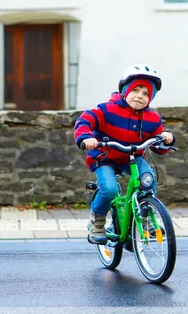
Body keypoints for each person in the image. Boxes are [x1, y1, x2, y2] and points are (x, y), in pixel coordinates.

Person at [74, 64, 176, 245]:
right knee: (110, 189)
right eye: (136, 90)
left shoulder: (152, 118)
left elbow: (157, 147)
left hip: (132, 157)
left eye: (146, 93)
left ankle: (143, 220)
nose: (140, 96)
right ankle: (97, 220)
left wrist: (165, 139)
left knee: (148, 179)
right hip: (104, 158)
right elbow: (85, 120)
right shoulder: (107, 109)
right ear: (125, 91)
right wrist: (86, 137)